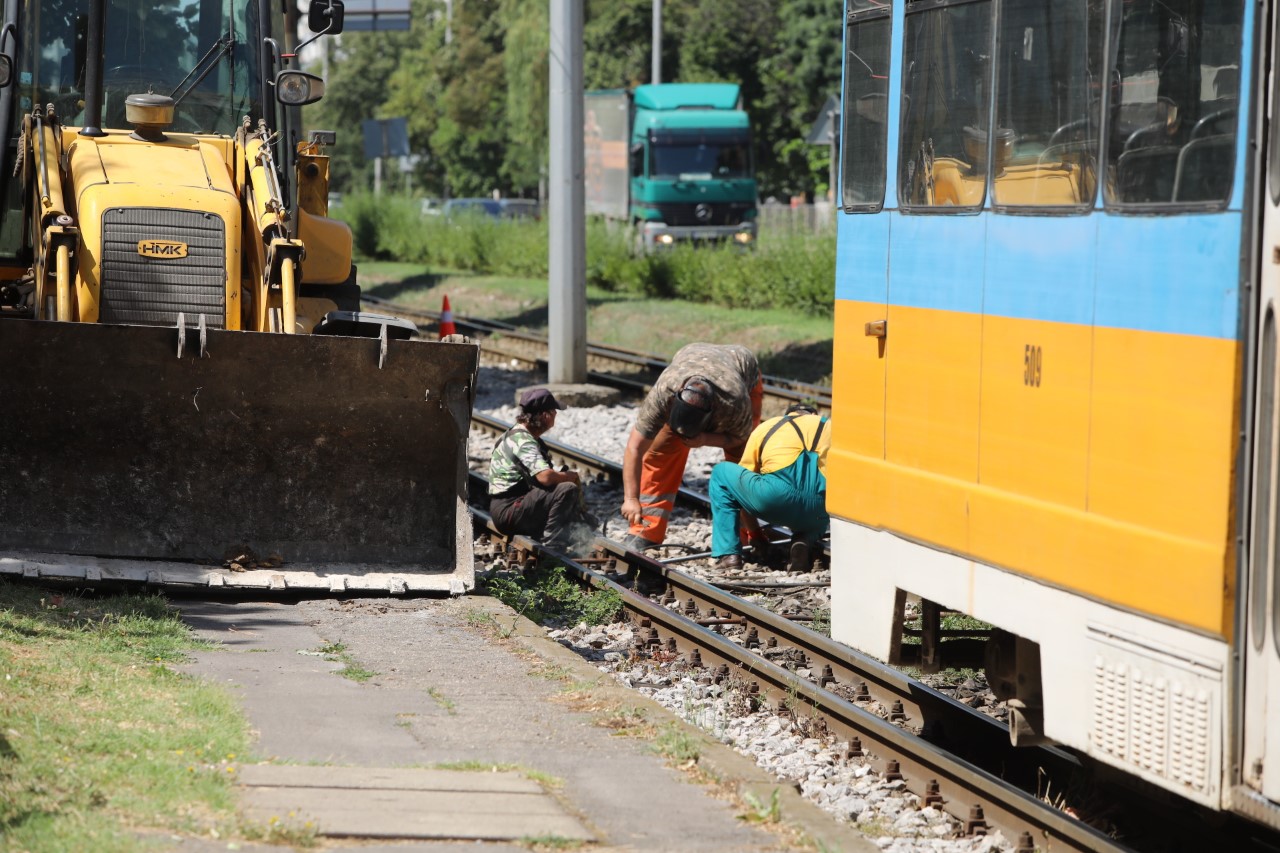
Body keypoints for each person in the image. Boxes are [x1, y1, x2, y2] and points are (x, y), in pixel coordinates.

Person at [620, 342, 764, 551]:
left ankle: (743, 534)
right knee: (659, 453)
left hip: (742, 369)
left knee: (741, 465)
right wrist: (631, 499)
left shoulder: (734, 402)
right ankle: (646, 529)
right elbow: (635, 448)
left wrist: (705, 438)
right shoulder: (664, 392)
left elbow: (739, 439)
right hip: (692, 358)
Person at [707, 403, 830, 572]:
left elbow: (739, 493)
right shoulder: (831, 427)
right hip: (819, 509)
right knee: (816, 518)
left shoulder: (769, 426)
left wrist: (755, 534)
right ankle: (803, 542)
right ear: (815, 414)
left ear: (788, 414)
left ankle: (728, 556)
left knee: (721, 473)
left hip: (774, 499)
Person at [489, 388, 595, 555]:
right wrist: (569, 476)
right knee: (566, 488)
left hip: (510, 507)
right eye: (554, 411)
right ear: (545, 415)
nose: (555, 416)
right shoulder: (523, 441)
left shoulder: (517, 434)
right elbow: (545, 477)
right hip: (509, 511)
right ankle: (552, 549)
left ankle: (570, 532)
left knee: (561, 489)